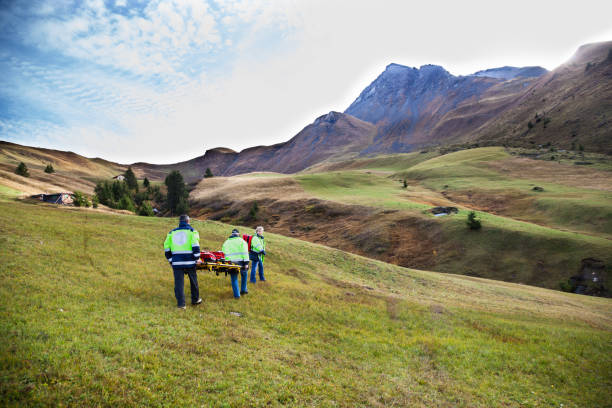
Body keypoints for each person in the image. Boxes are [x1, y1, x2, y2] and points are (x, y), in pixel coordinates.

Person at [164, 215, 202, 309]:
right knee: (193, 281)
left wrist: (171, 260)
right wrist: (197, 258)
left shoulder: (171, 233)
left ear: (180, 222)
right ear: (188, 221)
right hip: (190, 262)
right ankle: (195, 300)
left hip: (176, 262)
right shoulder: (192, 231)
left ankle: (181, 305)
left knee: (178, 284)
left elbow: (166, 248)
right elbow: (195, 246)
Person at [222, 228, 250, 298]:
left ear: (231, 234)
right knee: (244, 275)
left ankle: (237, 295)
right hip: (242, 262)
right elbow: (245, 253)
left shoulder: (226, 242)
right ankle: (243, 290)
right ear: (238, 234)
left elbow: (223, 253)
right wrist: (246, 263)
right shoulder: (242, 241)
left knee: (234, 278)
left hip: (230, 263)